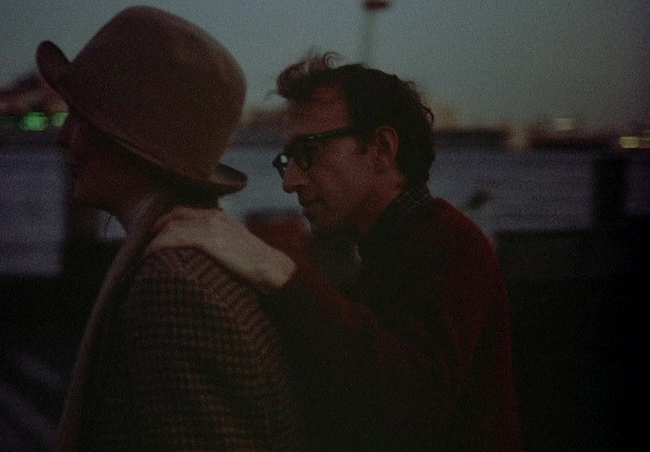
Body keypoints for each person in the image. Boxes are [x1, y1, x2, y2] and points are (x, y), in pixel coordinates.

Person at [149, 53, 522, 450]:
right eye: (286, 160)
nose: (290, 181)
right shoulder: (392, 246)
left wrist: (273, 268)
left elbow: (408, 402)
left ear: (381, 149)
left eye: (308, 152)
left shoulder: (451, 246)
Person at [36, 6, 303, 450]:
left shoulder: (173, 287)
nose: (62, 136)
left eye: (80, 117)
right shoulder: (189, 263)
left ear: (130, 140)